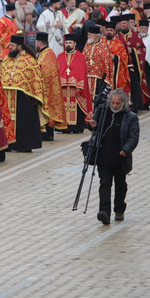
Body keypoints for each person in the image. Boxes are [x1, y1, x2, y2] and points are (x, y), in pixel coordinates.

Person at [88, 89, 139, 226]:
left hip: (120, 157)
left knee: (120, 185)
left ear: (123, 103)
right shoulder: (103, 112)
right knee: (104, 184)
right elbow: (94, 127)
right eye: (112, 103)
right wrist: (92, 125)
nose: (114, 106)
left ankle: (119, 210)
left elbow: (134, 137)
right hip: (103, 156)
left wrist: (126, 149)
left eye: (117, 103)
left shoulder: (130, 117)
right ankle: (104, 212)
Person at [0, 35, 46, 153]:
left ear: (19, 46)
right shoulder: (7, 59)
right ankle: (9, 144)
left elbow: (36, 79)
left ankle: (23, 145)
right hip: (8, 96)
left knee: (23, 123)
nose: (10, 48)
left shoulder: (30, 60)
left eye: (12, 46)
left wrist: (34, 96)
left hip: (24, 98)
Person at [58, 33, 93, 134]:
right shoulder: (60, 56)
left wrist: (78, 85)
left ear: (75, 44)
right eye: (66, 43)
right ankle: (64, 127)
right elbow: (58, 71)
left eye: (70, 43)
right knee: (64, 107)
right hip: (63, 88)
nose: (68, 45)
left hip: (75, 88)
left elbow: (81, 73)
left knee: (75, 107)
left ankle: (76, 128)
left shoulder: (80, 57)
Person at [35, 32, 66, 140]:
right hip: (46, 87)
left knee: (47, 110)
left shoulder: (48, 54)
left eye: (36, 42)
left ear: (38, 43)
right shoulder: (45, 53)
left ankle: (47, 135)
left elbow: (46, 72)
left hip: (48, 88)